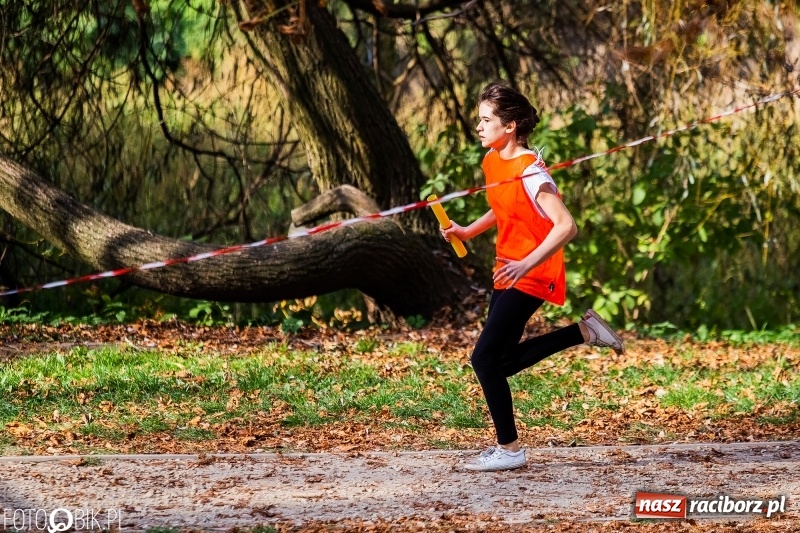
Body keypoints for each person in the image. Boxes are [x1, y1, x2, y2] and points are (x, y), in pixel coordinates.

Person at [441, 82, 624, 472]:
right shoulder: (493, 161)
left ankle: (509, 449)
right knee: (500, 361)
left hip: (533, 271)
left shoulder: (531, 171)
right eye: (480, 119)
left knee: (484, 359)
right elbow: (504, 208)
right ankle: (583, 332)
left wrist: (526, 264)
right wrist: (468, 231)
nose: (479, 126)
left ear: (509, 126)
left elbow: (565, 226)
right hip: (508, 268)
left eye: (486, 119)